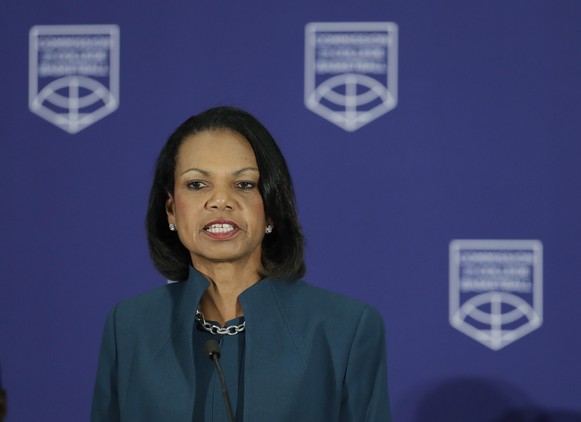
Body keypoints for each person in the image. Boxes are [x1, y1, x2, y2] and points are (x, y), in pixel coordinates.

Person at [91, 106, 392, 421]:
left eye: (244, 184)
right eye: (197, 184)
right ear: (171, 210)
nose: (221, 200)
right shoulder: (128, 326)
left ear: (271, 210)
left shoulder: (343, 328)